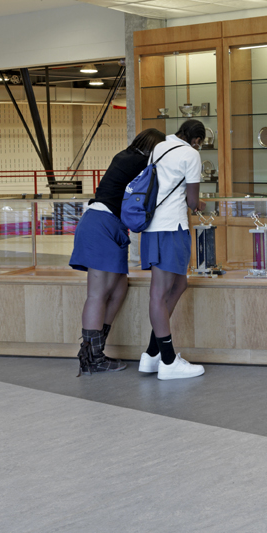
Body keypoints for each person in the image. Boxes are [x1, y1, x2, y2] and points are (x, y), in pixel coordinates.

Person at [68, 126, 165, 375]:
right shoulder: (141, 162)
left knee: (120, 286)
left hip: (108, 225)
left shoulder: (124, 156)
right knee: (97, 294)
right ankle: (91, 357)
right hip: (101, 223)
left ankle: (96, 348)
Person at [139, 119, 208, 381]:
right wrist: (202, 204)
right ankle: (168, 362)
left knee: (179, 285)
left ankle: (152, 353)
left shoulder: (159, 147)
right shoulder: (191, 154)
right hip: (171, 227)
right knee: (159, 292)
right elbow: (191, 201)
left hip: (152, 228)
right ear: (197, 140)